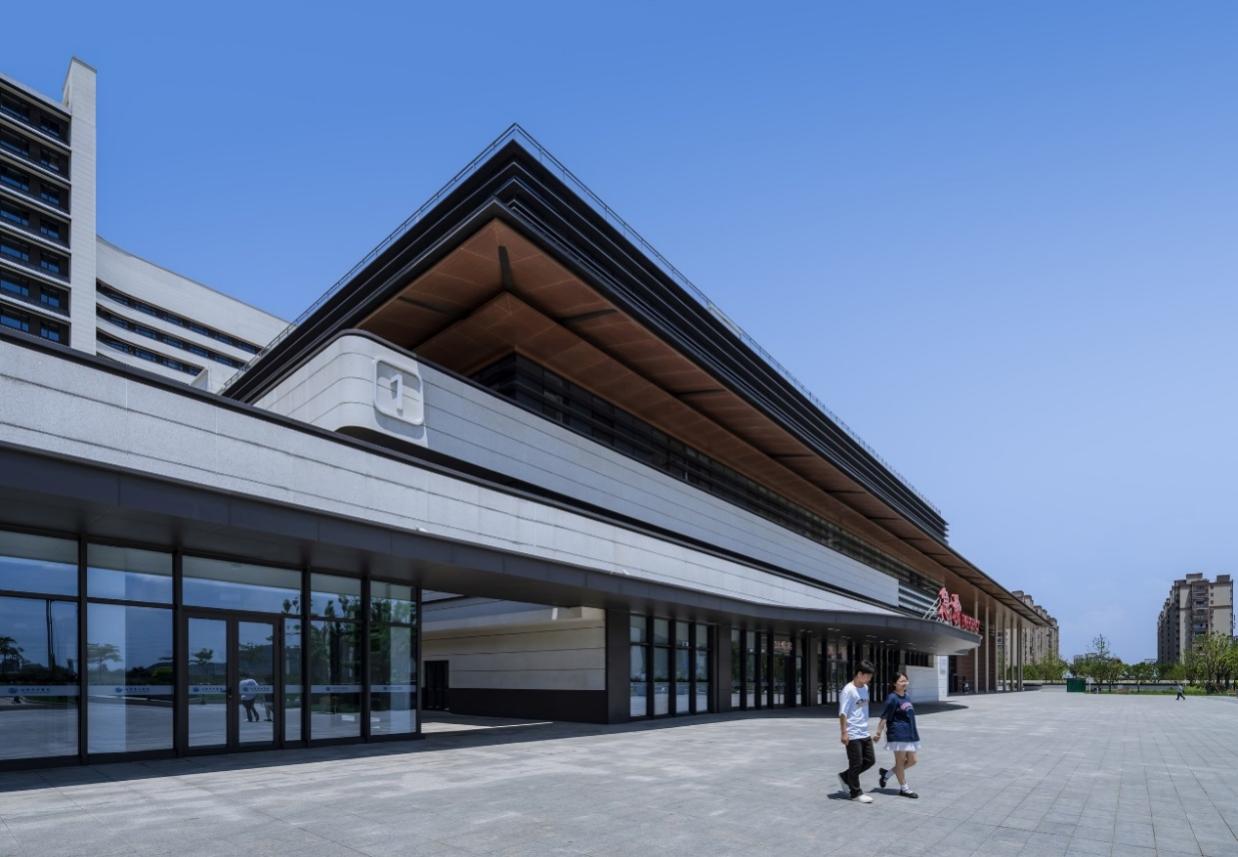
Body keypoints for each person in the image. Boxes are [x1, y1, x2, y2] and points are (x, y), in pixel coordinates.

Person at [874, 672, 921, 799]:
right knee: (900, 762)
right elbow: (884, 716)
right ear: (894, 684)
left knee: (912, 761)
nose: (904, 683)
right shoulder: (892, 698)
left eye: (905, 680)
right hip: (898, 733)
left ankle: (887, 774)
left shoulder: (907, 696)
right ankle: (904, 788)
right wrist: (878, 732)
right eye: (901, 681)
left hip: (910, 733)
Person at [836, 660, 876, 803]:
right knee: (856, 763)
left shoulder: (865, 687)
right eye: (867, 676)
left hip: (864, 731)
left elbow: (861, 709)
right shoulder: (848, 690)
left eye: (870, 676)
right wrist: (844, 732)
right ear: (859, 674)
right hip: (852, 732)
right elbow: (843, 713)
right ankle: (855, 793)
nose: (869, 679)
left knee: (870, 760)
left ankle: (845, 776)